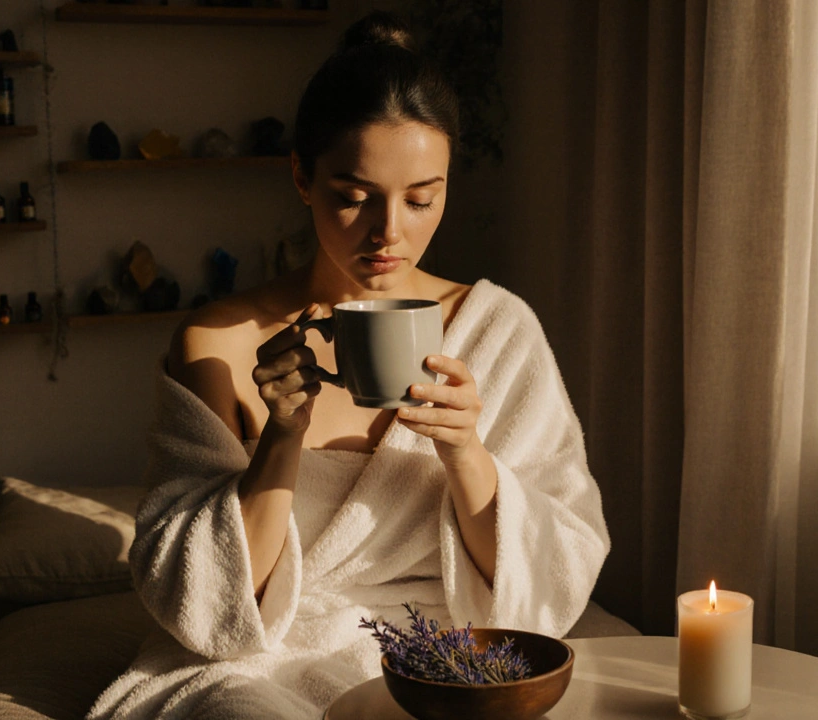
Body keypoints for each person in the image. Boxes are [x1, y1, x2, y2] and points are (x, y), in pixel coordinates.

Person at [88, 12, 609, 720]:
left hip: (442, 656)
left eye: (423, 198)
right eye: (354, 197)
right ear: (302, 176)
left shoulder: (497, 330)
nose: (389, 232)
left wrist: (465, 452)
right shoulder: (222, 341)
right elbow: (203, 597)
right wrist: (282, 434)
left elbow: (555, 571)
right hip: (259, 662)